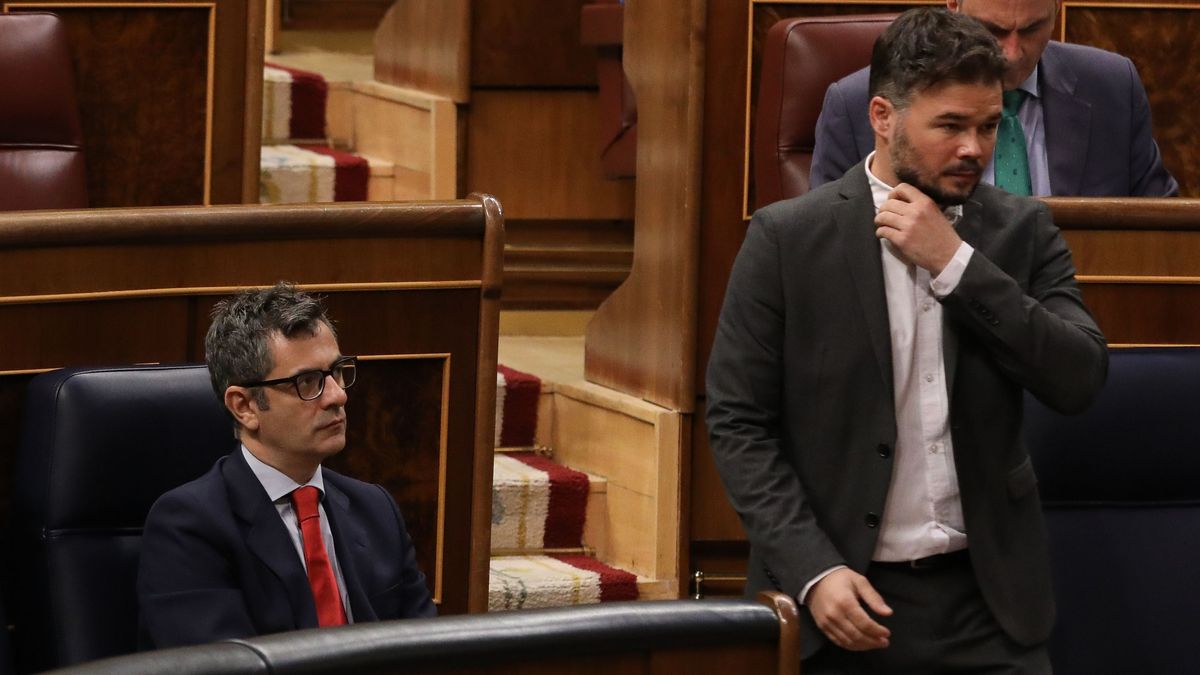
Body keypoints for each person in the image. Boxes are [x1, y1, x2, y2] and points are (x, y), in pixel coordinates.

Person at [707, 8, 1107, 673]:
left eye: (988, 125)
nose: (975, 149)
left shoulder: (1021, 233)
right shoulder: (787, 239)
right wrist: (813, 570)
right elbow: (737, 421)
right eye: (950, 126)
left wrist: (957, 265)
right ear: (883, 117)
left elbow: (1079, 377)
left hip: (990, 606)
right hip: (841, 599)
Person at [138, 283, 435, 648]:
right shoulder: (189, 527)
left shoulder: (376, 510)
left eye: (337, 371)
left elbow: (428, 650)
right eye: (307, 382)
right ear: (244, 406)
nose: (338, 396)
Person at [809, 0, 1179, 197]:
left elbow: (1156, 230)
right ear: (954, 6)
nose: (1012, 53)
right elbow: (826, 241)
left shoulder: (1112, 87)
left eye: (1032, 29)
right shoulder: (859, 102)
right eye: (994, 30)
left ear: (1058, 8)